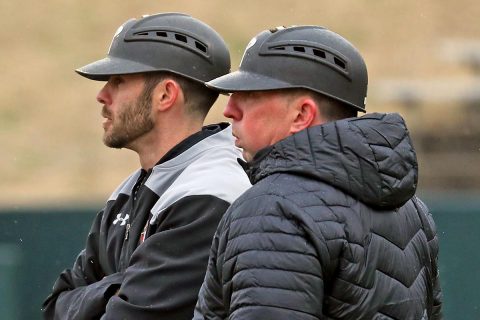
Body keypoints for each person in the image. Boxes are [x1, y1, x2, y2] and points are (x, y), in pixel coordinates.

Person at [194, 26, 442, 319]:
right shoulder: (414, 211)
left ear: (301, 114)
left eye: (248, 94)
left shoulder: (273, 211)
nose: (229, 110)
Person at [42, 13, 251, 320]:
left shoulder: (212, 193)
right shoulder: (130, 190)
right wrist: (119, 287)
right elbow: (54, 307)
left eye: (118, 81)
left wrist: (108, 290)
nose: (102, 95)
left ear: (165, 95)